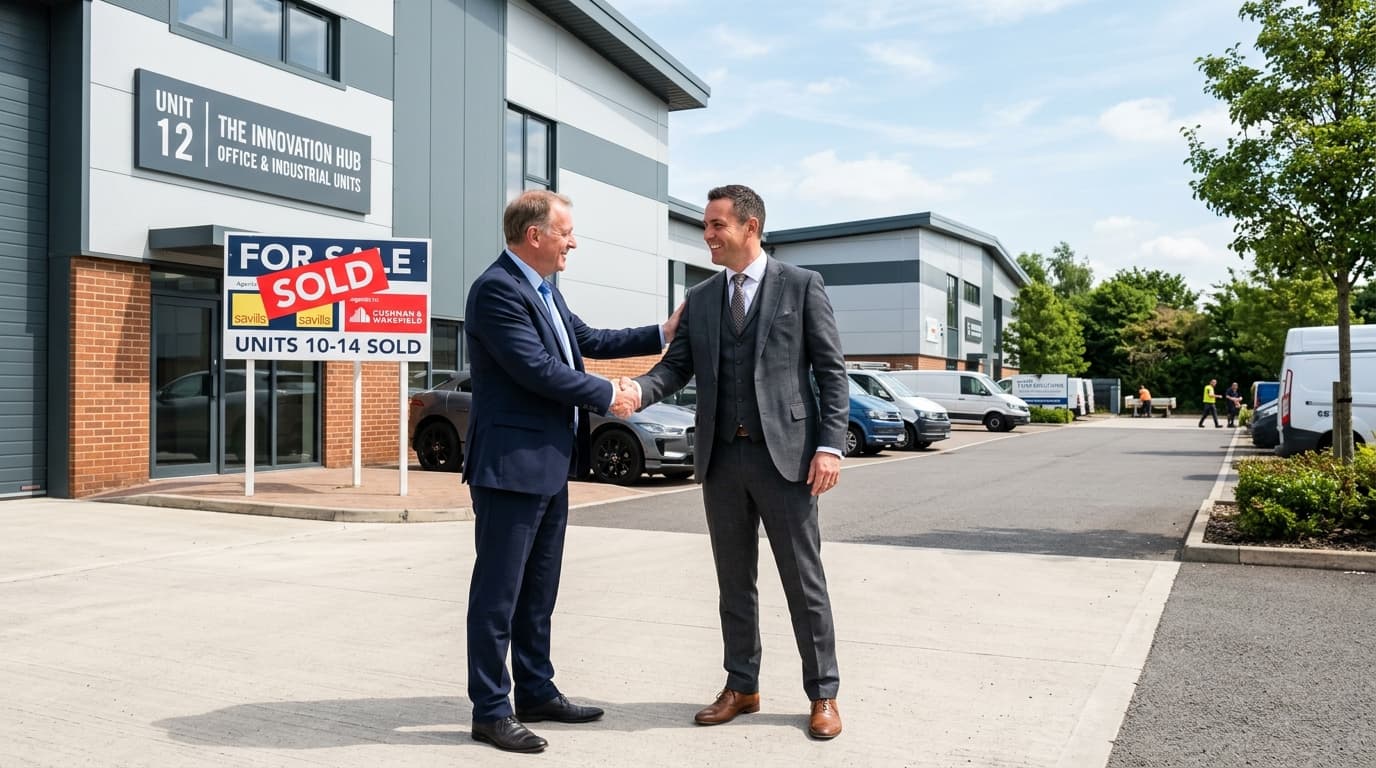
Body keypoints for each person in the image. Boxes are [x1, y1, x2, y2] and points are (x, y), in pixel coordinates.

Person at [624, 184, 848, 740]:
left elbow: (831, 372)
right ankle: (741, 685)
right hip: (722, 460)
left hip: (787, 460)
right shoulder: (701, 298)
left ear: (750, 227)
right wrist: (636, 391)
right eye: (706, 226)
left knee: (804, 581)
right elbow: (674, 368)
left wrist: (830, 445)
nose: (708, 236)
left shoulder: (801, 286)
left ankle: (823, 694)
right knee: (733, 582)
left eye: (717, 225)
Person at [462, 190, 680, 754]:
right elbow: (536, 370)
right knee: (498, 594)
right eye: (566, 233)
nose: (573, 243)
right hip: (510, 468)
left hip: (550, 466)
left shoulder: (543, 291)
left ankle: (535, 690)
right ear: (535, 236)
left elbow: (587, 342)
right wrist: (615, 395)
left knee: (539, 590)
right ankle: (490, 709)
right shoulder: (496, 291)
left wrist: (663, 332)